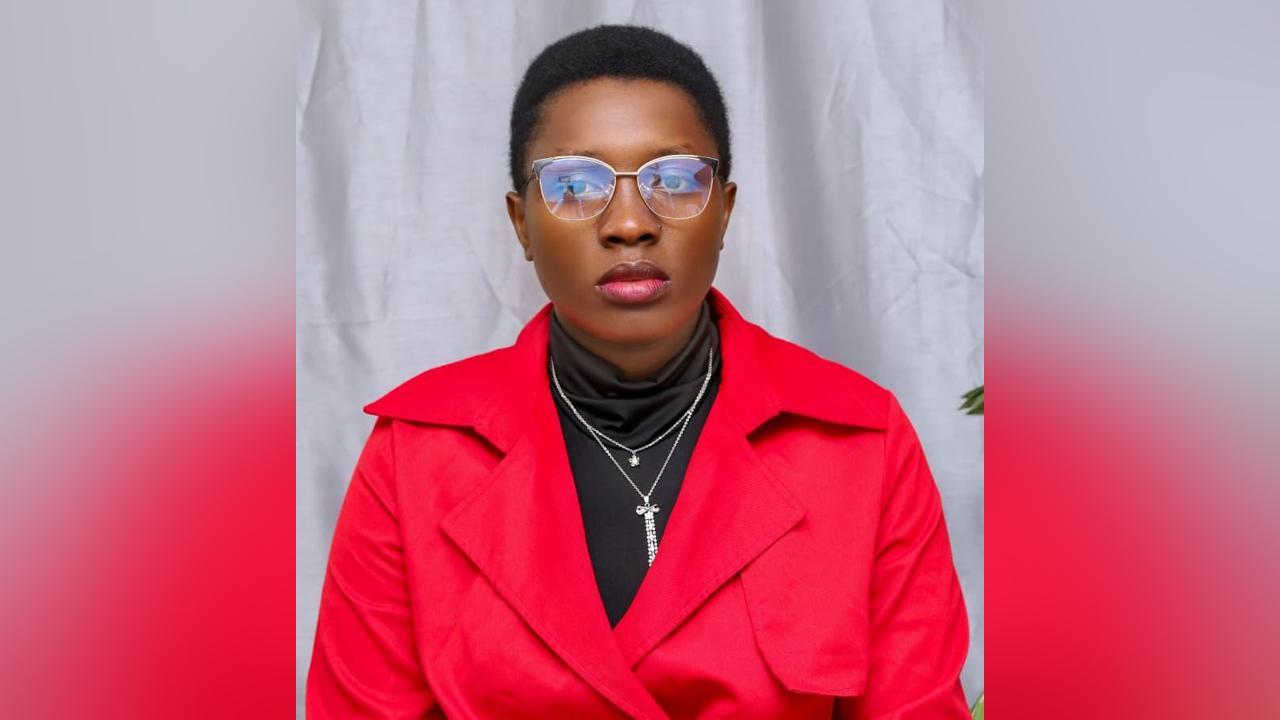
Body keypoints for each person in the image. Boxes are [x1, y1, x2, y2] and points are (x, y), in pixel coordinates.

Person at [307, 24, 970, 719]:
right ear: (522, 224)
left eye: (674, 180)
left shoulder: (861, 442)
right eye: (574, 184)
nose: (629, 224)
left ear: (724, 212)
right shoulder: (416, 452)